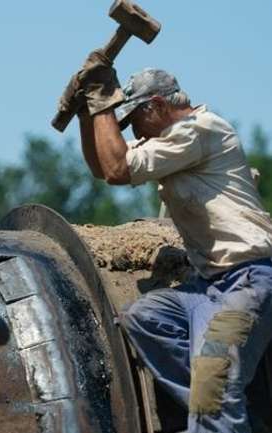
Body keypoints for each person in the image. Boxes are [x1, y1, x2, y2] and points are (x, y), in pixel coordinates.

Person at [68, 53, 272, 432]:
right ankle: (224, 410)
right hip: (207, 288)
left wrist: (103, 105)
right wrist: (88, 112)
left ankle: (216, 405)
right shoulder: (171, 139)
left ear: (157, 105)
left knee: (214, 388)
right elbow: (103, 165)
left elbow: (117, 169)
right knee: (144, 317)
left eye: (137, 121)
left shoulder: (200, 130)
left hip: (246, 281)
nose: (136, 134)